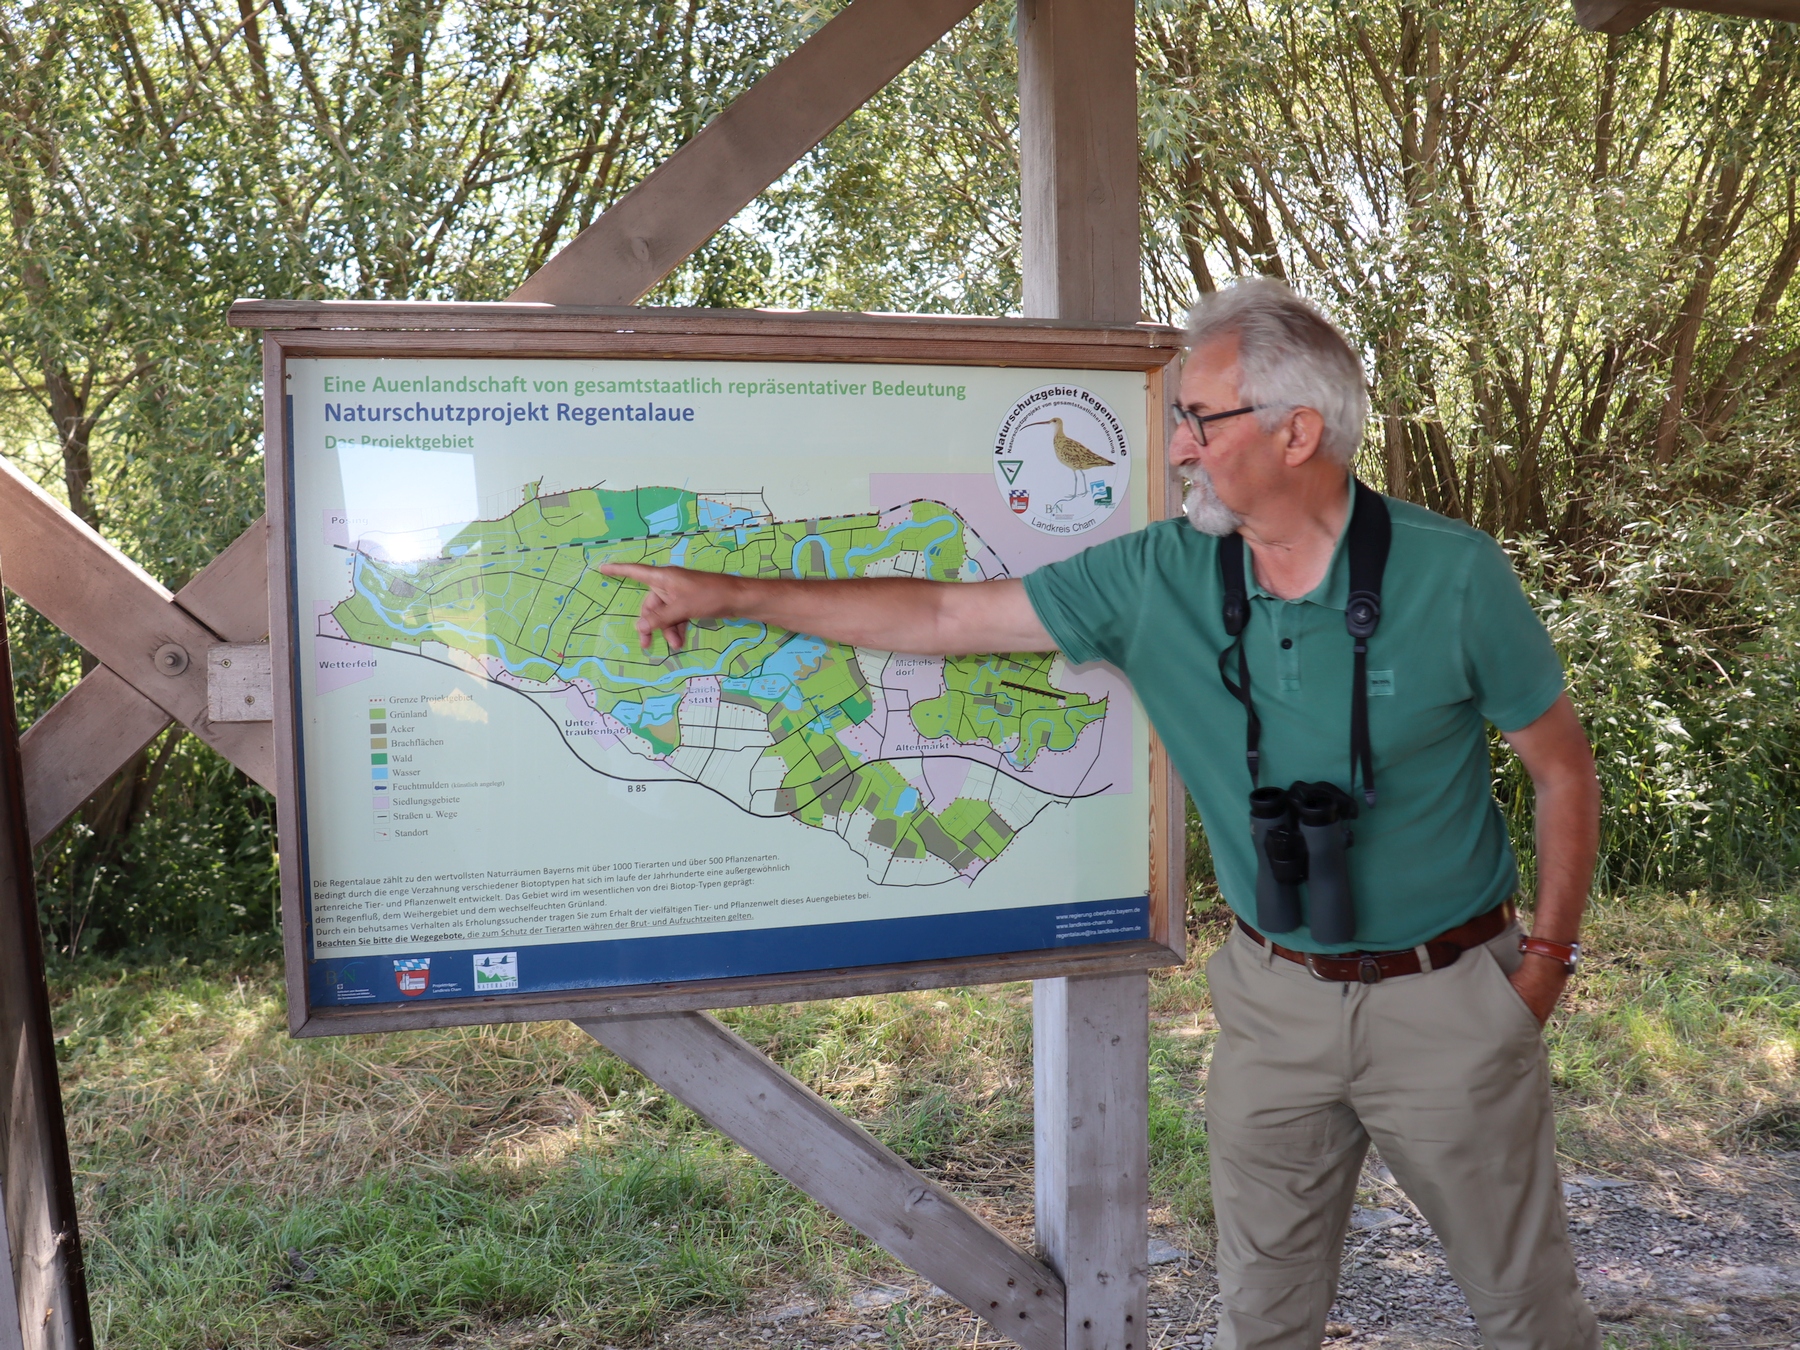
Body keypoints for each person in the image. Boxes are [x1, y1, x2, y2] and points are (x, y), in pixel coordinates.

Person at [600, 278, 1601, 1350]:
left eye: (1199, 421)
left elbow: (1563, 772)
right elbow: (943, 613)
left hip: (1449, 995)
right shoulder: (1157, 578)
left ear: (1296, 431)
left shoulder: (1452, 576)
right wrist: (729, 591)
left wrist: (1541, 965)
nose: (1175, 450)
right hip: (1275, 1004)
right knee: (1259, 1320)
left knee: (1524, 1310)